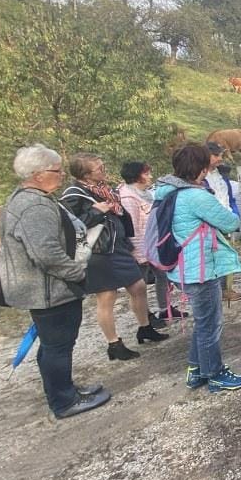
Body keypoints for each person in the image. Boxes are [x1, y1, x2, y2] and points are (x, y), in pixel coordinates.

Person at [0, 144, 112, 419]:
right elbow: (46, 254)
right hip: (49, 290)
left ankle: (65, 390)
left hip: (49, 288)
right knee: (58, 345)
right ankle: (63, 402)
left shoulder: (30, 198)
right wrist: (78, 273)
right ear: (37, 175)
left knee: (55, 345)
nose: (62, 175)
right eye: (56, 171)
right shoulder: (33, 206)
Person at [154, 143, 241, 393]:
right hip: (201, 269)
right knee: (211, 325)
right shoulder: (195, 196)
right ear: (202, 168)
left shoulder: (165, 191)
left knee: (203, 321)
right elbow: (230, 222)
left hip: (182, 266)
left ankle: (196, 370)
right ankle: (215, 374)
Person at [62, 154, 169, 360]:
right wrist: (96, 212)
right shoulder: (73, 195)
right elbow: (71, 227)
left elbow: (120, 215)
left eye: (103, 166)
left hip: (118, 246)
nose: (104, 170)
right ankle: (114, 344)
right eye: (99, 168)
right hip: (98, 252)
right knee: (107, 297)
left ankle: (145, 327)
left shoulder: (106, 189)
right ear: (85, 174)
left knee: (138, 286)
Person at [117, 160, 187, 323]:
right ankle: (146, 318)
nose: (150, 177)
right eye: (146, 173)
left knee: (163, 276)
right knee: (138, 287)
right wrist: (137, 254)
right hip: (140, 249)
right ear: (137, 176)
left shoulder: (147, 193)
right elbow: (132, 228)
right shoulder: (128, 197)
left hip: (153, 245)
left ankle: (165, 309)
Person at [204, 142, 241, 302]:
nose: (221, 158)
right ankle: (215, 291)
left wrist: (235, 215)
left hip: (227, 220)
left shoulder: (221, 174)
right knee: (214, 258)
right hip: (211, 224)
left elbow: (229, 197)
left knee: (228, 256)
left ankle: (227, 289)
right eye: (217, 155)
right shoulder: (199, 177)